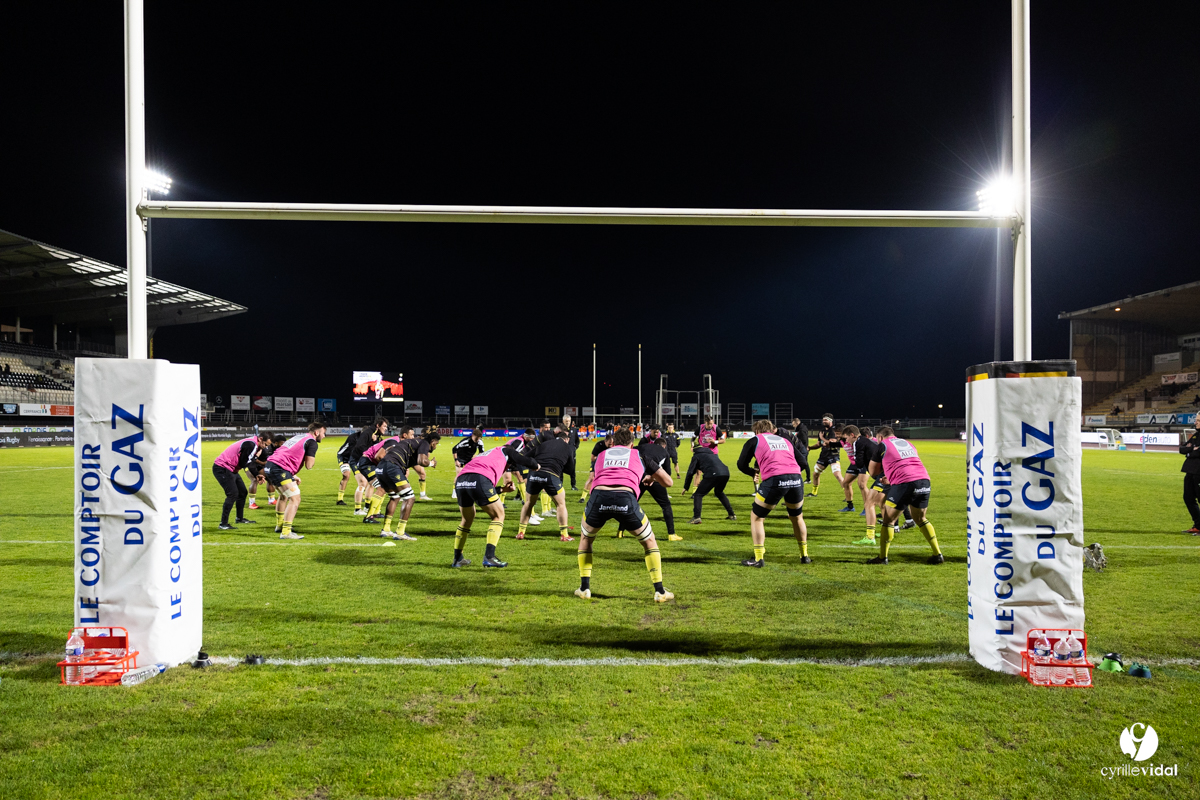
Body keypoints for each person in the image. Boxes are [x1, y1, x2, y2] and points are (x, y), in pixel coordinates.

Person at [575, 428, 675, 602]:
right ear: (632, 444)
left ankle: (584, 589)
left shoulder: (601, 455)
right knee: (649, 541)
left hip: (599, 497)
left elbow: (601, 475)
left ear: (613, 442)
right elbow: (668, 482)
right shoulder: (640, 455)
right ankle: (660, 591)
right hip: (625, 498)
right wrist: (651, 477)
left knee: (586, 538)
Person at [452, 439, 539, 568]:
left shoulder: (489, 454)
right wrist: (536, 466)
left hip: (461, 481)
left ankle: (457, 559)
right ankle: (489, 557)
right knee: (499, 515)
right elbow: (525, 460)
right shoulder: (507, 450)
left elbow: (483, 489)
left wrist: (503, 490)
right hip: (480, 478)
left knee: (466, 519)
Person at [735, 419, 810, 566]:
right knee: (797, 517)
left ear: (757, 431)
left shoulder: (755, 440)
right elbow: (803, 462)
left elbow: (741, 464)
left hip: (775, 479)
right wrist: (791, 473)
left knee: (757, 517)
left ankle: (758, 558)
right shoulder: (785, 440)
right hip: (796, 479)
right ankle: (804, 555)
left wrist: (753, 473)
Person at [867, 426, 943, 565]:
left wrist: (884, 473)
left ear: (880, 437)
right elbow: (908, 464)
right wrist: (892, 477)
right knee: (920, 519)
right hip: (924, 480)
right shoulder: (908, 443)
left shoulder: (882, 445)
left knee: (888, 520)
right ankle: (937, 554)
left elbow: (873, 472)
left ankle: (882, 558)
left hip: (905, 483)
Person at [264, 421, 327, 540]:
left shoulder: (299, 437)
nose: (324, 436)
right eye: (323, 433)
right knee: (295, 498)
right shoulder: (312, 442)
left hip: (270, 466)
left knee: (283, 496)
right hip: (279, 468)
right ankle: (286, 532)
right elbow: (309, 465)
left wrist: (292, 475)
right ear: (316, 432)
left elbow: (286, 453)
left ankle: (280, 525)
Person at [373, 431, 441, 539]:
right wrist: (431, 463)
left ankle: (386, 530)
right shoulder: (424, 443)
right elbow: (422, 461)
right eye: (435, 444)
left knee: (395, 497)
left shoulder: (410, 443)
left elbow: (390, 450)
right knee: (410, 498)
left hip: (381, 468)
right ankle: (400, 532)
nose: (435, 447)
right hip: (392, 467)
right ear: (432, 441)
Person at [517, 428, 575, 542]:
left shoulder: (544, 444)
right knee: (561, 504)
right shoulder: (568, 448)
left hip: (534, 474)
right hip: (551, 475)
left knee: (529, 503)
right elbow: (571, 470)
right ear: (566, 439)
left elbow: (526, 456)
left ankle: (521, 532)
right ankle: (564, 534)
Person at [211, 432, 269, 530]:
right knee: (232, 494)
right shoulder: (251, 444)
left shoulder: (252, 443)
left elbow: (247, 461)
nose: (265, 447)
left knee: (242, 492)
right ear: (260, 439)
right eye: (265, 444)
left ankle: (239, 518)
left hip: (231, 469)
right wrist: (256, 472)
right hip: (222, 468)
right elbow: (244, 462)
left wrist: (256, 474)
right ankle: (223, 524)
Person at [636, 425, 681, 541]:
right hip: (653, 478)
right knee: (666, 505)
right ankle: (671, 534)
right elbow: (667, 474)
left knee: (631, 502)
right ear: (664, 446)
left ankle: (620, 532)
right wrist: (653, 479)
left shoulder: (643, 445)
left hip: (639, 477)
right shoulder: (664, 452)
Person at [687, 435, 736, 525]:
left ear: (693, 448)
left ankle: (696, 517)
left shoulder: (696, 456)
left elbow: (690, 472)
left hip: (713, 474)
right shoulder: (711, 453)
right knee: (719, 492)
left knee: (698, 494)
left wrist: (685, 487)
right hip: (725, 472)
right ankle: (732, 514)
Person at [247, 433, 285, 509]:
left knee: (270, 479)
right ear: (276, 443)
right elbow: (253, 458)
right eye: (281, 444)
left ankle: (271, 500)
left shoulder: (277, 449)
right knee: (254, 480)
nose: (282, 446)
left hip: (262, 465)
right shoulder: (264, 447)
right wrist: (262, 463)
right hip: (251, 464)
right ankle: (251, 503)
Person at [451, 427, 486, 500]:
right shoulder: (465, 441)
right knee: (459, 475)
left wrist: (476, 456)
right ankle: (455, 492)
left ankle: (469, 491)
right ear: (473, 435)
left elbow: (482, 452)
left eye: (479, 438)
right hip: (460, 458)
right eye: (476, 438)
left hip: (470, 460)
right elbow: (454, 449)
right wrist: (456, 460)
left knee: (471, 476)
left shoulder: (480, 442)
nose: (477, 440)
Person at [578, 431, 614, 503]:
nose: (611, 446)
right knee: (591, 478)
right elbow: (592, 458)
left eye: (612, 444)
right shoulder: (599, 445)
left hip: (609, 463)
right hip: (597, 462)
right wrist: (603, 458)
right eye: (609, 444)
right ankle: (583, 497)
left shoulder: (614, 445)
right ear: (605, 441)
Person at [1180, 417, 1200, 534]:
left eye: (1198, 420)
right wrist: (1193, 450)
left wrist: (1190, 451)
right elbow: (1182, 449)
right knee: (1188, 498)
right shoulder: (1196, 435)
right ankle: (1198, 525)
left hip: (1199, 472)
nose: (1195, 422)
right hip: (1190, 471)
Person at [562, 414, 581, 490]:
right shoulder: (560, 430)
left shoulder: (574, 430)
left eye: (569, 421)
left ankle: (573, 486)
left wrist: (574, 448)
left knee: (572, 470)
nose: (568, 422)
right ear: (563, 421)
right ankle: (560, 485)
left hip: (572, 454)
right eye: (566, 421)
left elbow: (577, 441)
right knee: (560, 470)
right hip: (562, 454)